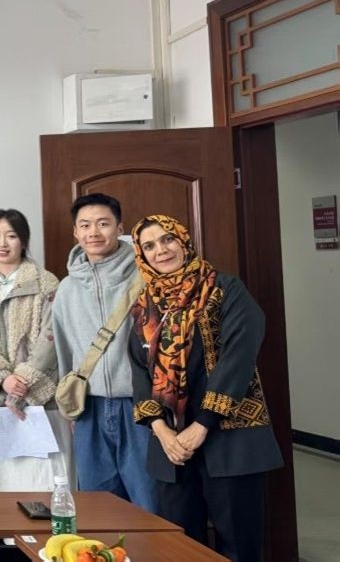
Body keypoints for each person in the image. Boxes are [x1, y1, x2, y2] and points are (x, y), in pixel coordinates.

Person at [127, 215, 282, 560]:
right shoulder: (144, 306)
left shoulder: (225, 289)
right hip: (171, 447)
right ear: (141, 254)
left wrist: (203, 424)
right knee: (179, 546)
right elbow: (139, 370)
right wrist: (161, 431)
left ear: (183, 240)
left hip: (230, 437)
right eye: (149, 245)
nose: (160, 250)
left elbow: (239, 354)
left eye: (167, 239)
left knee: (239, 544)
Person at [51, 193, 156, 510]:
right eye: (85, 225)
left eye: (102, 223)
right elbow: (64, 349)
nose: (93, 232)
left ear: (120, 228)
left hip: (140, 405)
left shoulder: (146, 277)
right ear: (75, 232)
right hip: (90, 409)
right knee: (98, 509)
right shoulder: (67, 288)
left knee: (150, 503)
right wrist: (70, 407)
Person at [0, 208, 72, 490]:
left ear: (24, 241)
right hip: (0, 402)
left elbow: (52, 337)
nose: (2, 243)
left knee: (51, 483)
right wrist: (3, 379)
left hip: (42, 398)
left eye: (11, 236)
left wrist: (23, 382)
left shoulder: (46, 283)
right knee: (8, 485)